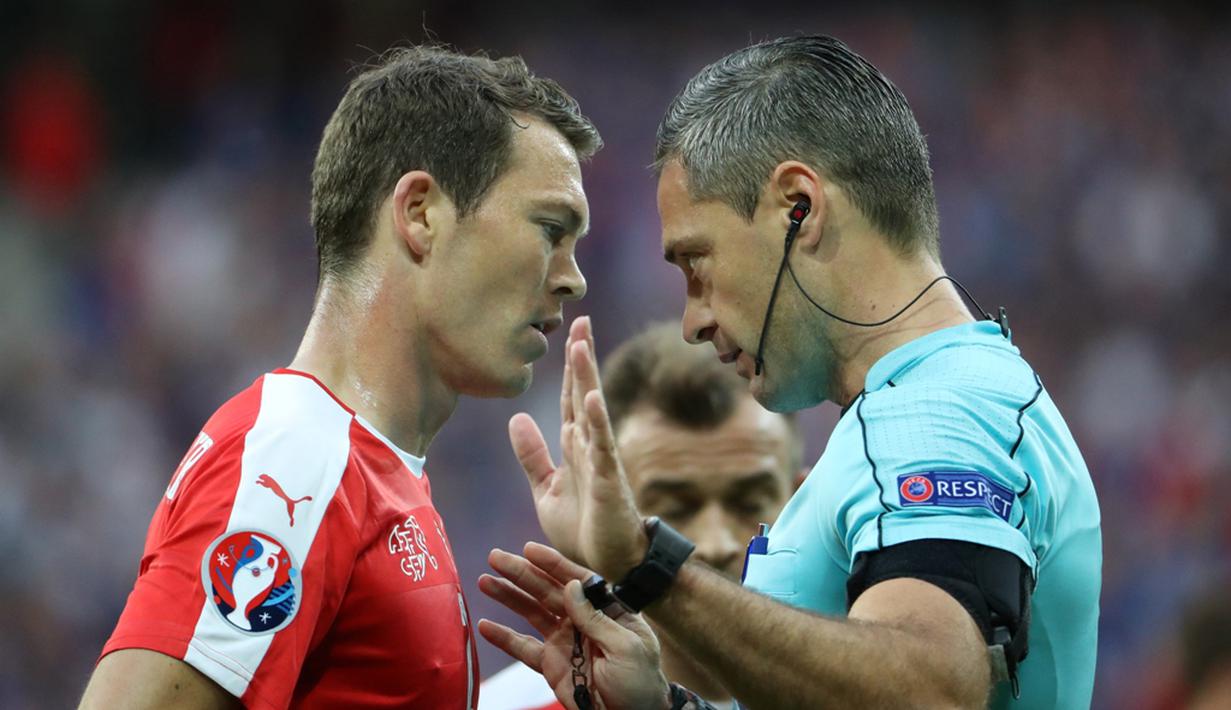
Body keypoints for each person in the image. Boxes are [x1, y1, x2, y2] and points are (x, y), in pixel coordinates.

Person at [479, 35, 1101, 709]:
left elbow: (928, 690)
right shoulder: (930, 399)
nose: (692, 321)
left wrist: (643, 563)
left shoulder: (936, 411)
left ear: (796, 208)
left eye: (697, 264)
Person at [78, 45, 601, 709]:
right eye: (551, 228)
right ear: (419, 214)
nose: (573, 277)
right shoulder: (298, 460)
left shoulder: (368, 469)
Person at [477, 322, 804, 709]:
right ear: (597, 515)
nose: (716, 544)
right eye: (673, 508)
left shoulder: (871, 679)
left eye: (749, 503)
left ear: (802, 499)